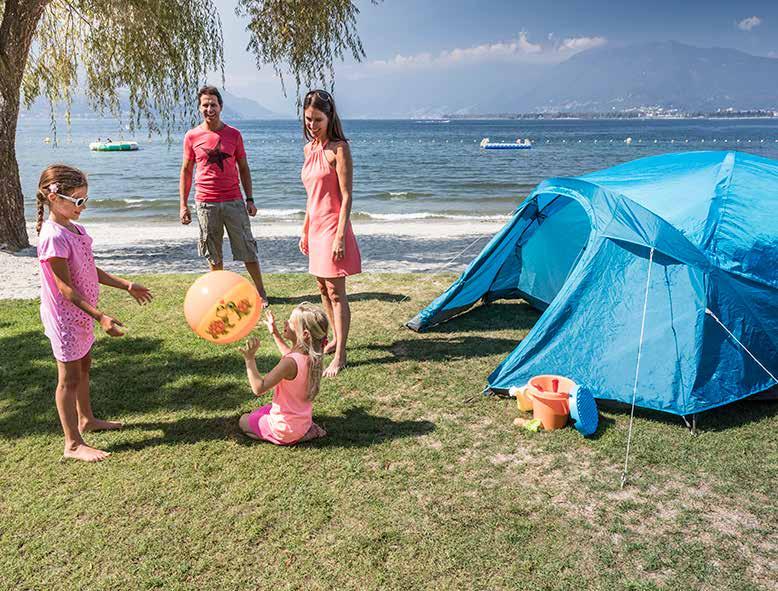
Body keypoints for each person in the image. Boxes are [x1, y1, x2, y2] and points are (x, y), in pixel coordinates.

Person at [35, 164, 153, 462]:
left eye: (84, 200)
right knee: (68, 379)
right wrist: (100, 316)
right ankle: (73, 443)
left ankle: (86, 419)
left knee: (84, 367)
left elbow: (88, 267)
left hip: (81, 315)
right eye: (77, 201)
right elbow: (64, 288)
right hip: (66, 318)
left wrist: (126, 285)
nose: (82, 207)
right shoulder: (52, 237)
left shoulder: (75, 229)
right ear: (53, 198)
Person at [179, 85, 268, 307]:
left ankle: (261, 293)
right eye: (205, 105)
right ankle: (219, 296)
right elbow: (186, 171)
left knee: (247, 249)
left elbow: (244, 168)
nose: (210, 109)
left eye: (213, 104)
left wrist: (250, 199)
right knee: (213, 253)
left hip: (234, 201)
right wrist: (183, 205)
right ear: (199, 108)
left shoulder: (234, 135)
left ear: (221, 106)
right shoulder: (192, 136)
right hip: (206, 203)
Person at [299, 89, 361, 377]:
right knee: (322, 288)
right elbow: (312, 196)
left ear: (330, 117)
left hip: (334, 229)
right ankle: (335, 337)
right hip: (315, 229)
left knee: (337, 293)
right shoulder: (309, 149)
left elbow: (347, 196)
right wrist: (304, 229)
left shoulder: (339, 149)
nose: (312, 125)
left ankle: (341, 354)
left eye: (318, 120)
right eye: (308, 119)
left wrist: (339, 236)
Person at [238, 304, 328, 445]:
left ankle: (287, 438)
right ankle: (305, 430)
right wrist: (274, 332)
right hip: (302, 422)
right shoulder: (310, 356)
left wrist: (249, 359)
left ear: (304, 334)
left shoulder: (289, 363)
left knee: (243, 420)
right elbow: (288, 353)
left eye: (291, 322)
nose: (286, 322)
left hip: (285, 430)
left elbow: (259, 388)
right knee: (261, 411)